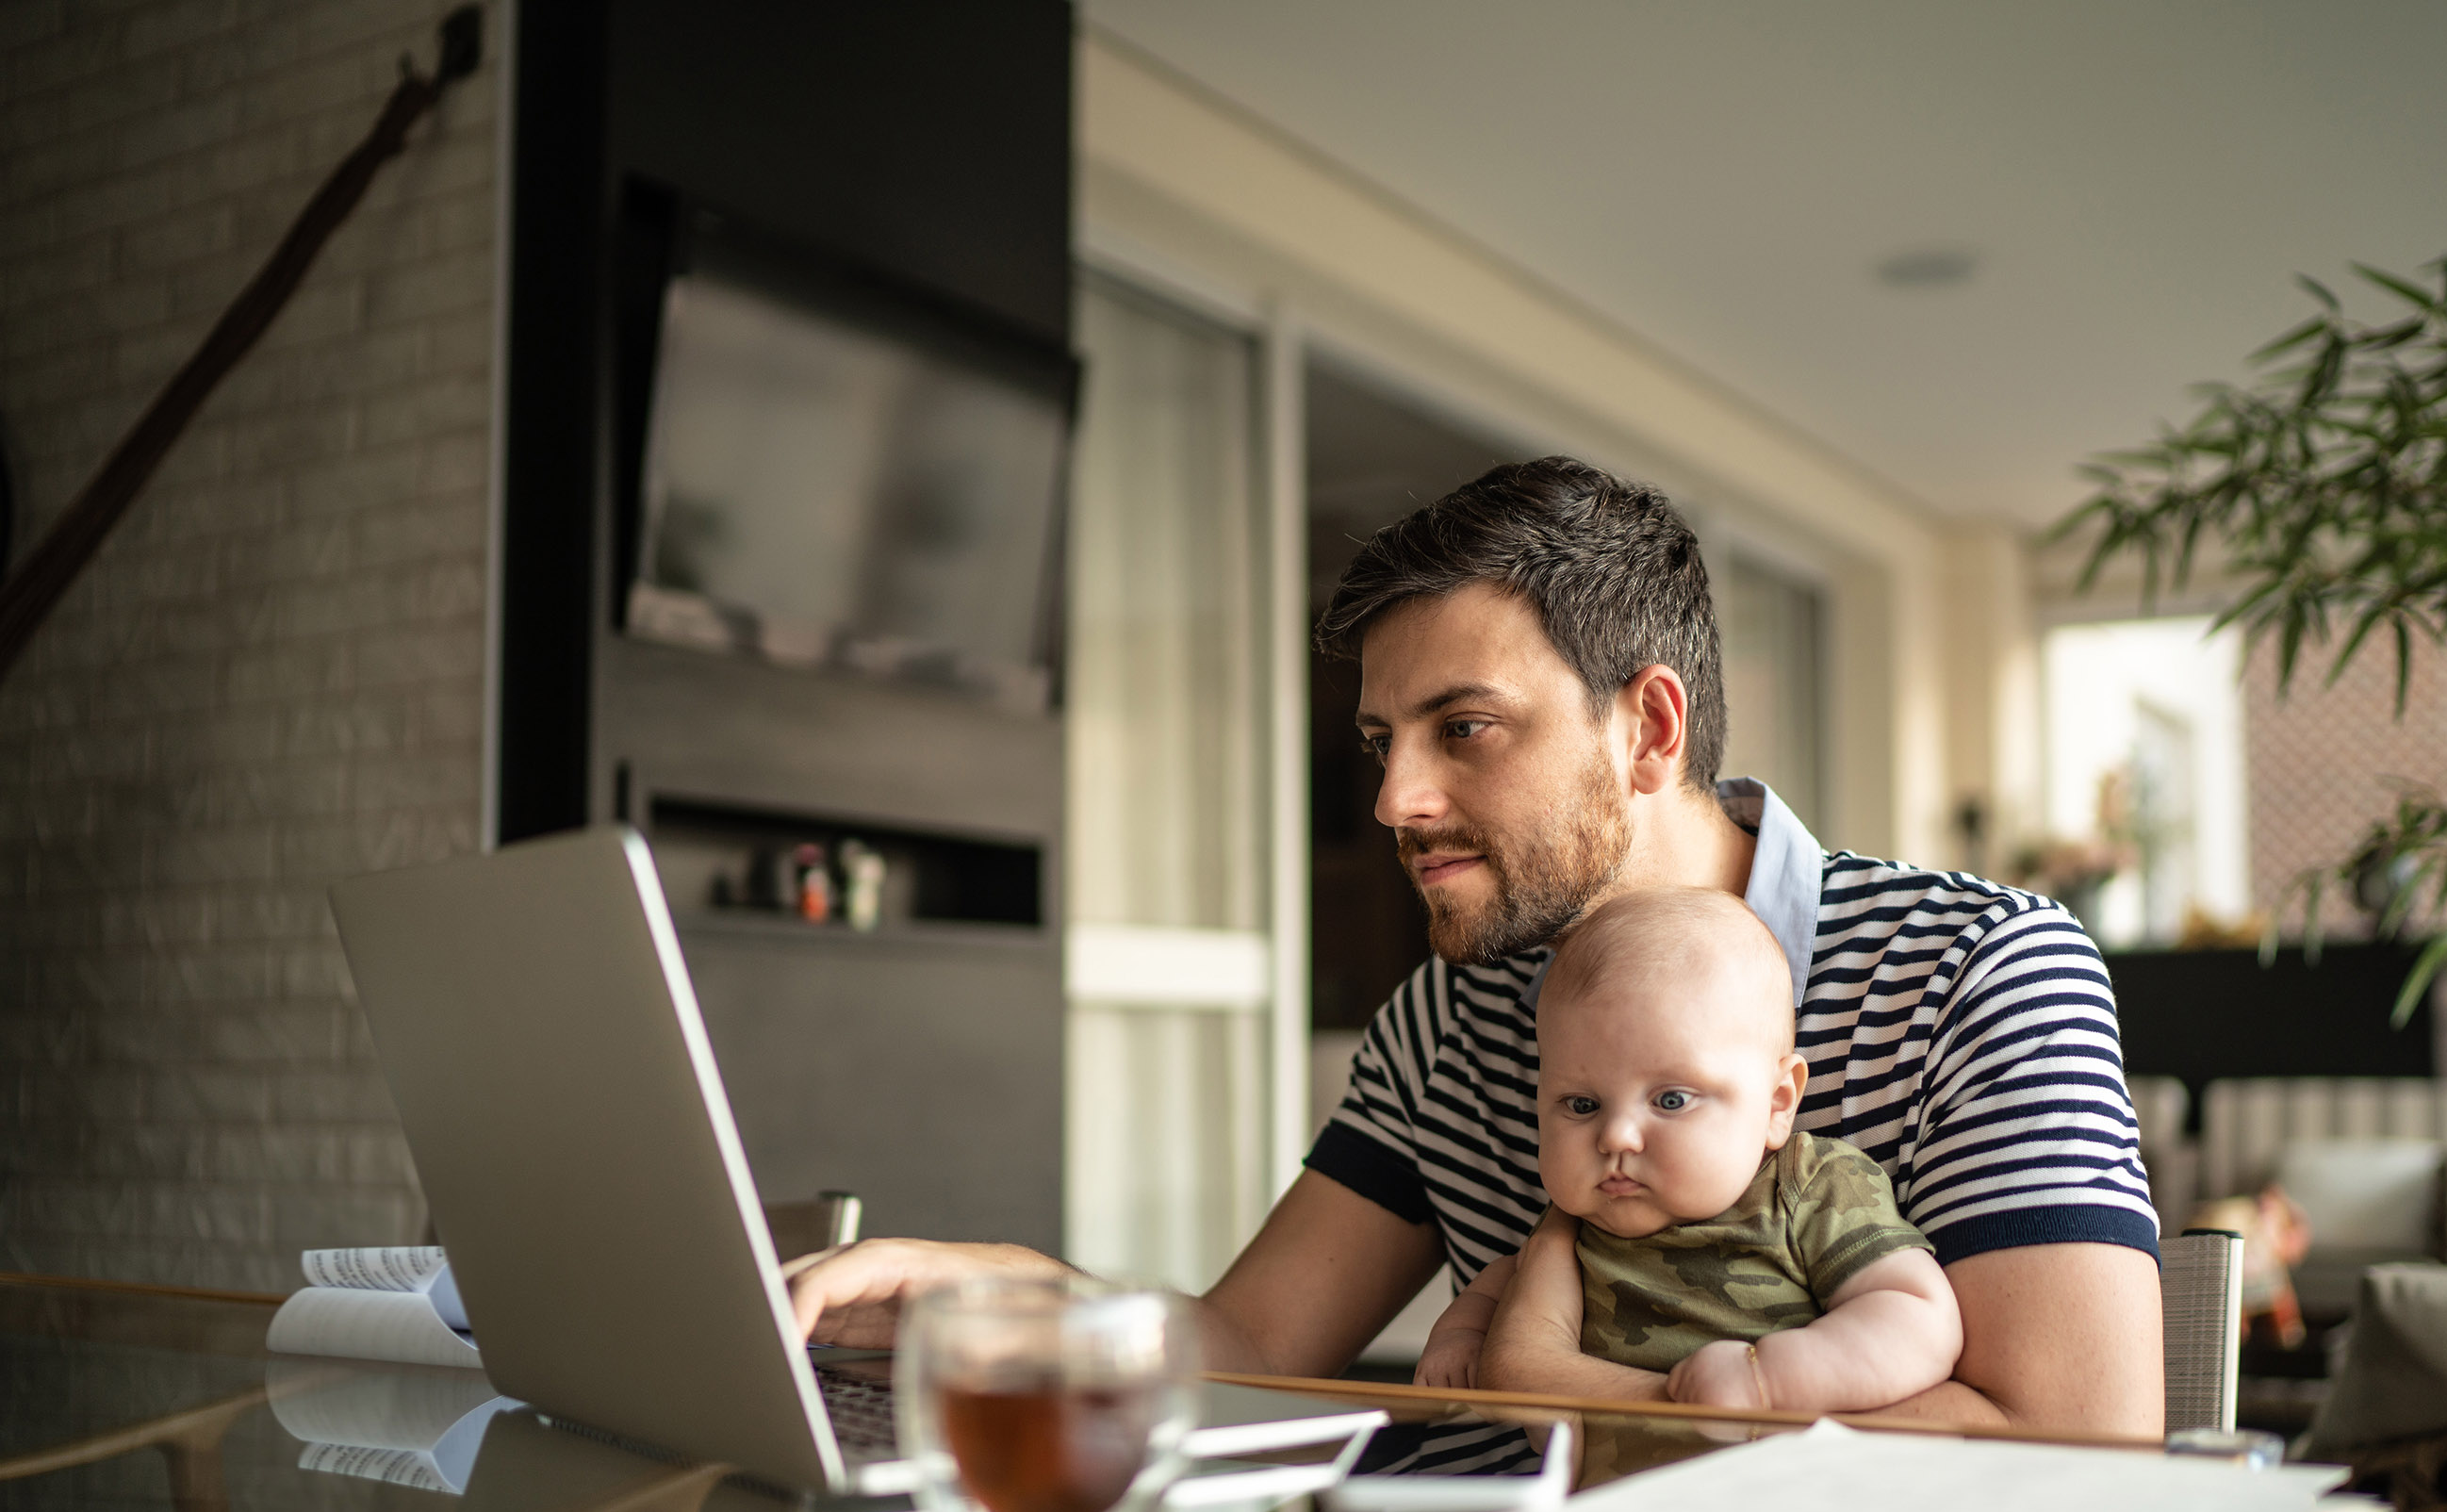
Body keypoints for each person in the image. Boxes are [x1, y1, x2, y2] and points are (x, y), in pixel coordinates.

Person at [787, 455, 2164, 1449]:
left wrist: (1602, 1401)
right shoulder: (1443, 1025)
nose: (1394, 801)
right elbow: (1258, 1347)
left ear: (1648, 731)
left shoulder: (1975, 965)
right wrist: (1013, 1292)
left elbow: (2082, 1447)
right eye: (1385, 742)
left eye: (1465, 726)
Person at [1411, 885, 1963, 1414]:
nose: (1616, 1137)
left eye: (1671, 1100)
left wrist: (1769, 1377)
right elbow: (1499, 1285)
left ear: (1776, 1103)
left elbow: (1917, 1314)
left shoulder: (1808, 1189)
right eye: (1581, 1105)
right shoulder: (1580, 1226)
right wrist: (1461, 1336)